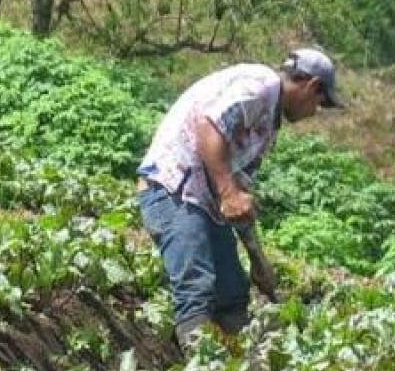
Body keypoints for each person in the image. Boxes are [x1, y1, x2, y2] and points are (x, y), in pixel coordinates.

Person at [137, 48, 342, 350]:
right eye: (320, 103)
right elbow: (209, 125)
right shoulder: (260, 86)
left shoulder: (268, 124)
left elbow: (239, 199)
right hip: (172, 189)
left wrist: (258, 260)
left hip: (203, 201)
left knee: (232, 294)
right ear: (311, 86)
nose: (317, 111)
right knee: (197, 288)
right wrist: (229, 192)